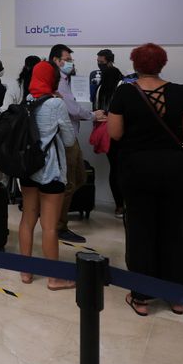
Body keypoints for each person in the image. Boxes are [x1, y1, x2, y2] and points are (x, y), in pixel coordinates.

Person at [108, 43, 183, 316]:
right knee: (174, 229)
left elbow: (114, 133)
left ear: (135, 64)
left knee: (140, 229)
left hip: (137, 168)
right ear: (162, 64)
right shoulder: (179, 93)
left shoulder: (124, 93)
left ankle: (141, 296)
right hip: (174, 169)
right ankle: (176, 296)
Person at [17, 61, 76, 290]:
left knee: (27, 220)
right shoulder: (55, 104)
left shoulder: (27, 101)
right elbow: (69, 140)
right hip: (50, 170)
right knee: (50, 226)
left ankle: (25, 272)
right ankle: (53, 278)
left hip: (28, 168)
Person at [49, 44, 105, 243]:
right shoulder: (57, 81)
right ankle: (58, 226)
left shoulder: (64, 80)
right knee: (69, 183)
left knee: (79, 177)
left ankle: (53, 218)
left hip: (70, 137)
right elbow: (71, 109)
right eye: (67, 58)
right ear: (57, 60)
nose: (71, 62)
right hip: (65, 139)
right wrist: (92, 115)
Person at [94, 60, 125, 218]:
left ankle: (119, 206)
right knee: (125, 169)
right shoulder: (122, 88)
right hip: (121, 132)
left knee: (114, 168)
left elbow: (96, 110)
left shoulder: (100, 89)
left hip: (105, 132)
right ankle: (126, 204)